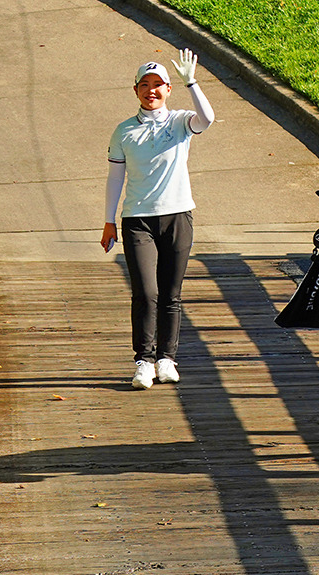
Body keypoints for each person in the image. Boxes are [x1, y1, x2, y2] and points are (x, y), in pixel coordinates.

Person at [101, 49, 215, 389]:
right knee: (145, 291)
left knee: (171, 293)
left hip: (178, 216)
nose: (151, 91)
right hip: (138, 219)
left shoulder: (180, 122)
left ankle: (166, 358)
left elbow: (207, 119)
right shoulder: (123, 132)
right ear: (135, 90)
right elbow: (115, 179)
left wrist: (191, 82)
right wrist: (108, 221)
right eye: (144, 85)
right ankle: (144, 361)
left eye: (158, 85)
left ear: (168, 89)